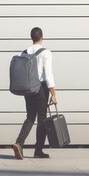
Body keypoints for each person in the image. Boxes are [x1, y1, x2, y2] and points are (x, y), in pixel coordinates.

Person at [12, 27, 57, 160]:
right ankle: (38, 151)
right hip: (41, 88)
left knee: (30, 117)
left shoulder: (24, 52)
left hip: (28, 88)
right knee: (42, 119)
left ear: (32, 38)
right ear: (42, 37)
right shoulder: (46, 53)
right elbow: (48, 75)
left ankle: (19, 143)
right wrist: (53, 93)